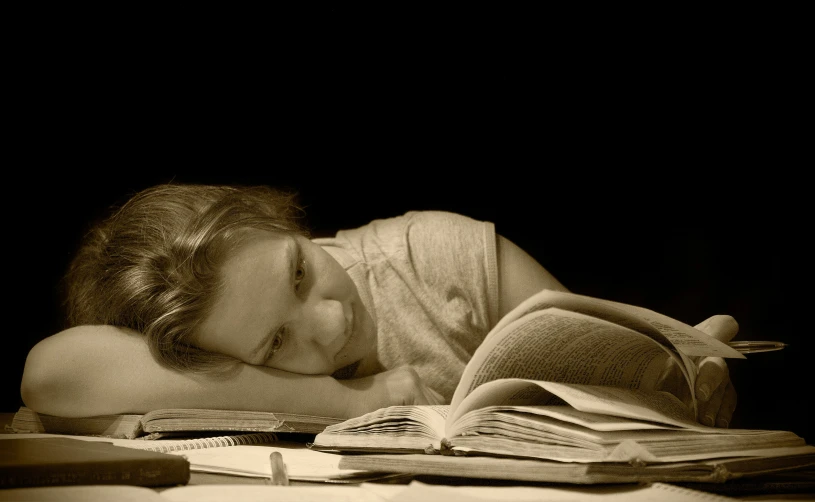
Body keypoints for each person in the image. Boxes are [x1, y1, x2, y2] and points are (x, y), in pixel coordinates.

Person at [20, 183, 737, 427]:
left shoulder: (437, 257)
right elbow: (53, 373)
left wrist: (684, 373)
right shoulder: (217, 358)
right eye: (275, 344)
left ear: (287, 223)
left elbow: (603, 345)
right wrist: (349, 405)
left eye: (300, 274)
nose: (330, 324)